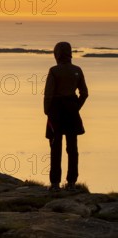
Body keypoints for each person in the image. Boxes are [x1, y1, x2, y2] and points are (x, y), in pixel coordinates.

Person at [44, 42, 88, 192]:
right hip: (71, 110)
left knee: (55, 147)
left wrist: (47, 111)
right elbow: (84, 93)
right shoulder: (77, 70)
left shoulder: (54, 71)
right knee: (72, 148)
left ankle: (55, 183)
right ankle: (71, 183)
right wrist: (76, 107)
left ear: (57, 54)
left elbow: (48, 94)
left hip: (56, 110)